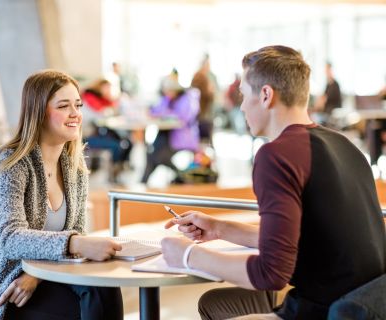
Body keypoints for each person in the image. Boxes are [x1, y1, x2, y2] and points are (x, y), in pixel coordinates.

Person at [161, 46, 386, 320]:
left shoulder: (277, 156)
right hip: (368, 304)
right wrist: (219, 228)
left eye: (244, 95)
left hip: (321, 310)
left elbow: (271, 273)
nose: (242, 105)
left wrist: (187, 257)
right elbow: (301, 239)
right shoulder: (343, 145)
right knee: (215, 304)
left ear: (266, 95)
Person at [0, 70, 124, 319]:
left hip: (41, 277)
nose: (75, 114)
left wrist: (35, 275)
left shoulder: (74, 166)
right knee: (76, 311)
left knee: (103, 288)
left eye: (78, 105)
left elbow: (76, 228)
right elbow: (10, 238)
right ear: (38, 112)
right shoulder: (9, 164)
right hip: (1, 291)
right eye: (63, 106)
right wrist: (76, 243)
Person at [141, 79, 200, 184]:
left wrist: (164, 114)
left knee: (156, 156)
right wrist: (154, 111)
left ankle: (179, 175)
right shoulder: (168, 99)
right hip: (167, 134)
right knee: (152, 153)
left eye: (169, 91)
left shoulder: (188, 100)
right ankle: (180, 176)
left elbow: (182, 118)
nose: (167, 93)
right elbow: (157, 110)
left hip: (182, 137)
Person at [191, 54, 218, 143]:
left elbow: (214, 92)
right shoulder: (198, 76)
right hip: (201, 113)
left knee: (207, 138)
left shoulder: (211, 76)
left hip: (207, 112)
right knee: (203, 138)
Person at [313, 62, 342, 126]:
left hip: (333, 109)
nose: (326, 72)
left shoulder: (335, 84)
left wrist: (321, 101)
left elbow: (327, 98)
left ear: (330, 70)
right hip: (327, 108)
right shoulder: (328, 84)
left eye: (327, 70)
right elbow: (324, 96)